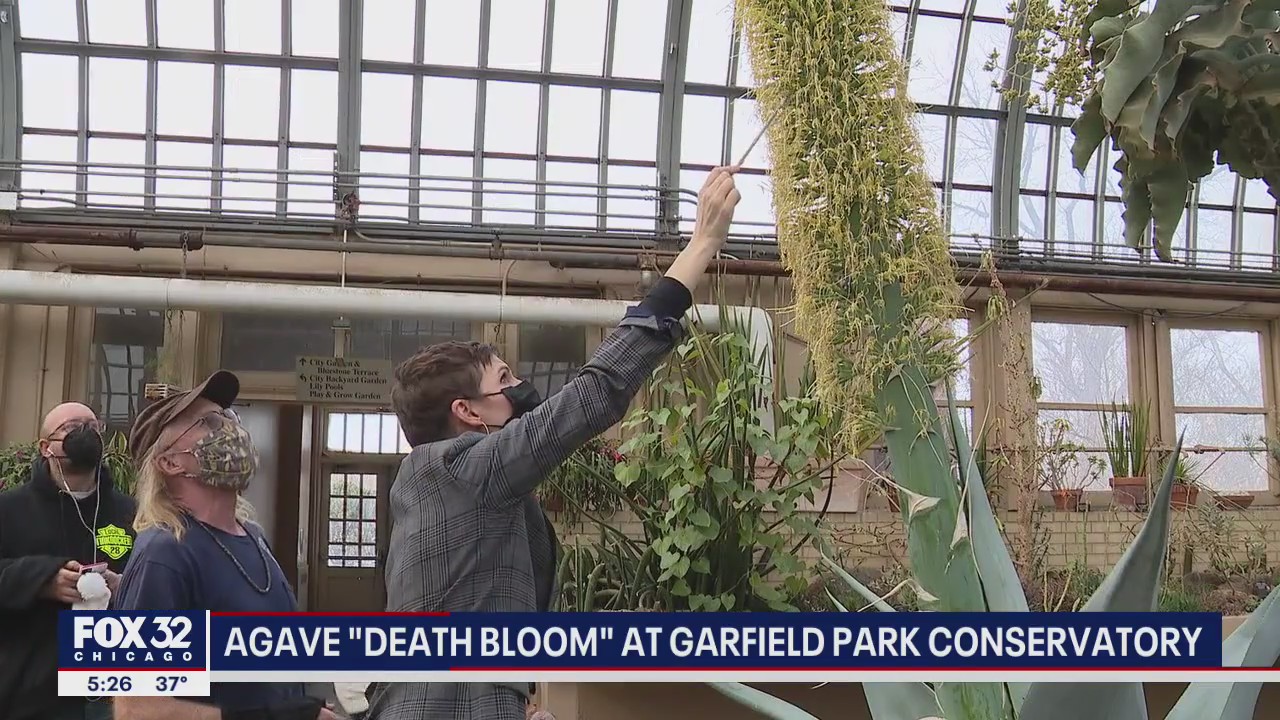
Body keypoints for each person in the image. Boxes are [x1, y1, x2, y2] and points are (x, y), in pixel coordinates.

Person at [367, 166, 741, 720]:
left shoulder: (475, 489)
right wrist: (702, 243)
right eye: (504, 381)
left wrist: (517, 698)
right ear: (466, 412)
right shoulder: (449, 468)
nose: (521, 389)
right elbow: (596, 394)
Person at [111, 370, 336, 720]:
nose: (230, 429)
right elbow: (137, 709)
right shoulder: (165, 553)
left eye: (230, 417)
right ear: (170, 462)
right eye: (209, 421)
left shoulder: (254, 538)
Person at [0, 402, 137, 720]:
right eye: (72, 427)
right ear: (46, 448)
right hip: (32, 691)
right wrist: (42, 580)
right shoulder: (9, 510)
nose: (85, 432)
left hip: (112, 688)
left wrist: (124, 586)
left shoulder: (132, 513)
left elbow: (156, 582)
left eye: (93, 425)